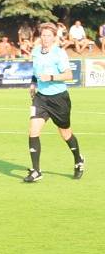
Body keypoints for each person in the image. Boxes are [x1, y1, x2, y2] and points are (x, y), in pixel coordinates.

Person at [24, 22, 85, 183]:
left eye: (48, 36)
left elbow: (69, 75)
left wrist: (50, 77)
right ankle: (36, 171)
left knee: (65, 133)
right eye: (43, 35)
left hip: (59, 98)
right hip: (41, 97)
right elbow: (36, 71)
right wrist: (33, 83)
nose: (45, 38)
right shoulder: (36, 51)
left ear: (54, 37)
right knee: (33, 131)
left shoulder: (59, 53)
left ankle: (78, 160)